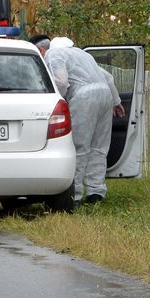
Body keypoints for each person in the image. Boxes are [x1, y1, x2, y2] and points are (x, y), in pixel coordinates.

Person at [29, 34, 125, 205]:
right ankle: (96, 191)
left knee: (79, 146)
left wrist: (55, 102)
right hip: (105, 95)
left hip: (83, 97)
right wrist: (116, 101)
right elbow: (109, 78)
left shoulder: (53, 54)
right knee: (99, 146)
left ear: (41, 50)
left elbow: (61, 81)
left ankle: (76, 194)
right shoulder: (82, 54)